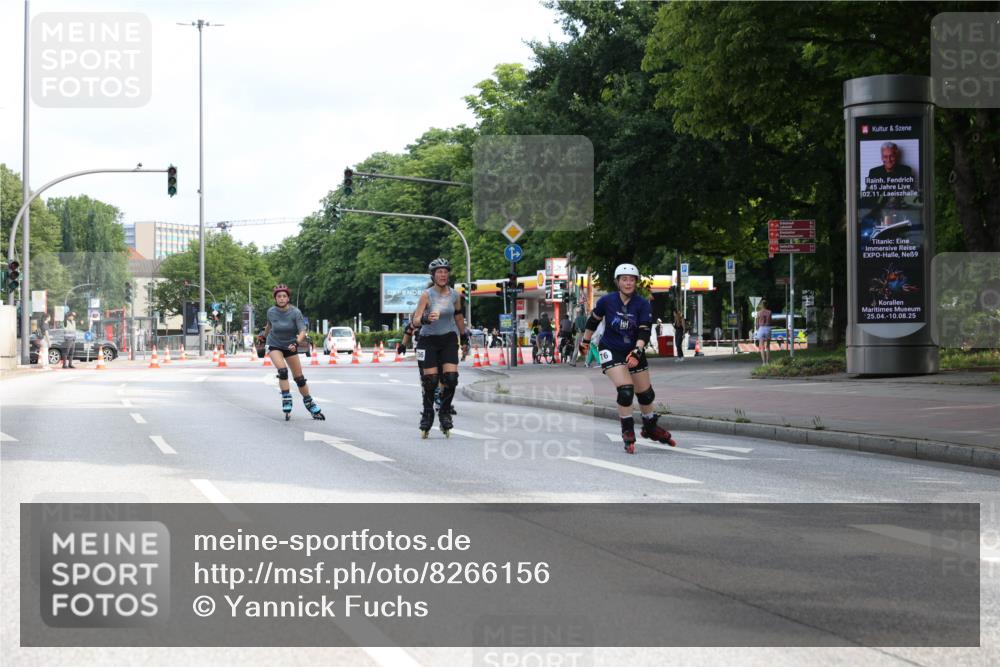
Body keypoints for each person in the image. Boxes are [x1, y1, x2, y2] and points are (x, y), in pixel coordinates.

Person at [578, 263, 676, 454]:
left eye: (631, 280)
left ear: (636, 282)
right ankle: (628, 432)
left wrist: (638, 351)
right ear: (617, 282)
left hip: (634, 349)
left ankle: (650, 427)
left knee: (646, 394)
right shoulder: (607, 301)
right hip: (611, 349)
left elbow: (644, 331)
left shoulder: (642, 304)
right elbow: (593, 321)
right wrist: (586, 341)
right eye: (624, 279)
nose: (628, 283)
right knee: (625, 390)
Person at [412, 258, 469, 437]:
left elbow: (459, 317)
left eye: (445, 272)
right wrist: (425, 319)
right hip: (428, 340)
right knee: (430, 380)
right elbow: (415, 320)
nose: (443, 275)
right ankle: (428, 413)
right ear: (433, 275)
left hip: (449, 339)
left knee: (451, 378)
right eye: (439, 272)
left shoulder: (455, 295)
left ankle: (444, 412)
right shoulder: (426, 295)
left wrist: (465, 338)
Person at [258, 284, 325, 420]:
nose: (281, 299)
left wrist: (296, 343)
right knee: (282, 371)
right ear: (275, 299)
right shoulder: (271, 311)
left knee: (299, 378)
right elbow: (269, 326)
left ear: (288, 298)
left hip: (291, 345)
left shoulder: (295, 313)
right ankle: (286, 398)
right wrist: (263, 337)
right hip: (274, 344)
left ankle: (309, 403)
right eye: (279, 296)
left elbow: (302, 331)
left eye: (284, 296)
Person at [755, 299, 773, 365]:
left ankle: (763, 362)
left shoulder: (759, 313)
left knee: (762, 346)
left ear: (761, 305)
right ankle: (768, 362)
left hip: (761, 328)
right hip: (768, 328)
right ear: (767, 305)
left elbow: (757, 324)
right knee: (768, 346)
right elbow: (771, 321)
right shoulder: (769, 312)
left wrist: (757, 330)